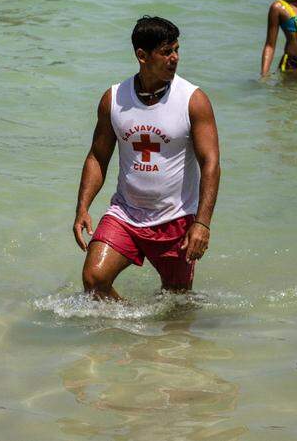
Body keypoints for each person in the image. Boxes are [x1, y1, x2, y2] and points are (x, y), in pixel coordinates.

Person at [72, 16, 221, 299]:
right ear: (142, 55)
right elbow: (97, 157)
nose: (175, 58)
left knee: (176, 304)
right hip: (125, 214)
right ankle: (132, 329)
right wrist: (83, 208)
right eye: (166, 52)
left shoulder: (193, 100)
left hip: (175, 219)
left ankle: (154, 341)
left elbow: (210, 164)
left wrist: (202, 223)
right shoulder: (114, 98)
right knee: (94, 279)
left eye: (177, 49)